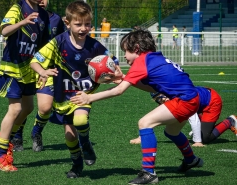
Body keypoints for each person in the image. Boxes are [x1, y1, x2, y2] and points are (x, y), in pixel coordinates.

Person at [70, 29, 204, 184]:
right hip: (192, 98)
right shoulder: (153, 58)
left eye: (126, 51)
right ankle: (191, 159)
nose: (124, 56)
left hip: (184, 100)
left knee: (145, 123)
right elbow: (153, 88)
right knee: (172, 132)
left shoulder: (141, 61)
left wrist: (89, 97)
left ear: (136, 48)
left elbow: (119, 91)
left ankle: (149, 172)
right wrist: (124, 78)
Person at [29, 0, 120, 178]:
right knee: (70, 136)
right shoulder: (58, 42)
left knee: (79, 122)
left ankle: (86, 144)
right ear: (67, 23)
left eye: (87, 24)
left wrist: (115, 73)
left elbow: (112, 62)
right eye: (78, 24)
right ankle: (77, 163)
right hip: (62, 93)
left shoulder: (95, 46)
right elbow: (35, 61)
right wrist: (43, 71)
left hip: (82, 94)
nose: (83, 28)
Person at [0, 0, 50, 172]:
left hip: (29, 70)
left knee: (28, 107)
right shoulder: (18, 8)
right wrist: (22, 22)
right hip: (13, 67)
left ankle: (4, 136)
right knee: (15, 109)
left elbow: (44, 46)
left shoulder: (44, 15)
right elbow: (4, 30)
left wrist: (43, 70)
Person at [11, 0, 66, 152]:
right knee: (23, 107)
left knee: (45, 108)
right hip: (26, 68)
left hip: (46, 69)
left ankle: (36, 133)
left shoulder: (56, 19)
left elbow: (62, 43)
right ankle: (16, 136)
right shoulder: (23, 13)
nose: (42, 1)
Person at [130, 90, 237, 147]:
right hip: (201, 101)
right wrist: (141, 138)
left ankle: (229, 121)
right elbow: (153, 119)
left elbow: (193, 117)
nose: (159, 101)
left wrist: (198, 141)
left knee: (206, 138)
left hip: (211, 102)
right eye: (156, 99)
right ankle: (201, 130)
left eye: (159, 97)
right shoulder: (171, 96)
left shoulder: (180, 99)